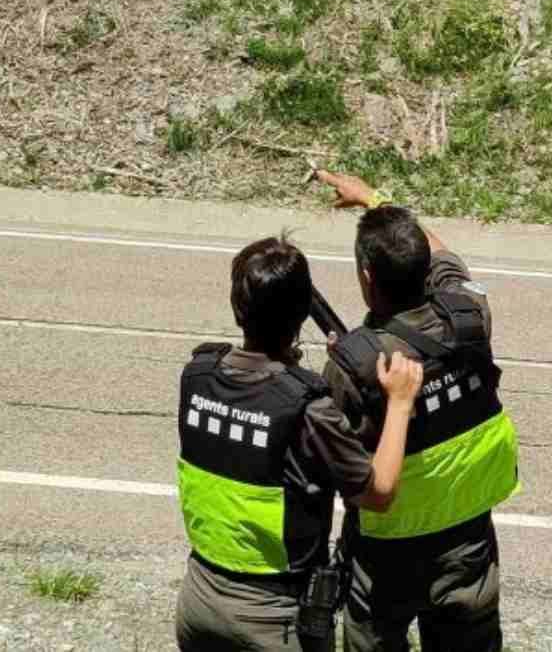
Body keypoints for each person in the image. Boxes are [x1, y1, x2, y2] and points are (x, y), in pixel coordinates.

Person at [177, 235, 428, 652]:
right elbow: (379, 492)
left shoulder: (196, 375)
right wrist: (400, 402)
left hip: (198, 600)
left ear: (238, 307)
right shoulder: (308, 408)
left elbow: (253, 429)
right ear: (299, 318)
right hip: (273, 618)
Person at [314, 171, 521, 652]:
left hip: (387, 552)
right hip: (468, 539)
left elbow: (338, 462)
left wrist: (344, 362)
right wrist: (375, 199)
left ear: (367, 277)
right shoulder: (469, 316)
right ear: (425, 269)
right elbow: (445, 253)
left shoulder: (355, 364)